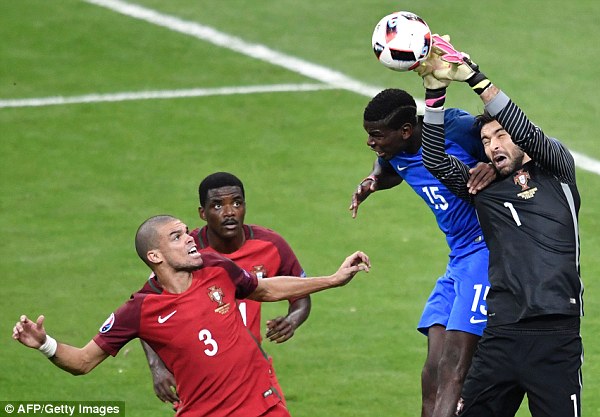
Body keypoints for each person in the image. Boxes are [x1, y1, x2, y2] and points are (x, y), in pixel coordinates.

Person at [13, 214, 370, 417]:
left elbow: (266, 289)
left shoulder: (216, 267)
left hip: (264, 407)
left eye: (187, 232)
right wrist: (45, 343)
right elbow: (83, 361)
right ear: (155, 256)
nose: (190, 239)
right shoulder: (138, 309)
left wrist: (333, 279)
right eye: (177, 236)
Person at [418, 41, 584, 417]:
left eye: (501, 136)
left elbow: (527, 132)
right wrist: (434, 92)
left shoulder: (558, 170)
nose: (494, 146)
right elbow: (433, 158)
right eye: (486, 140)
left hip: (555, 336)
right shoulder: (483, 188)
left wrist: (476, 79)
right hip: (501, 334)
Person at [350, 88, 496, 417]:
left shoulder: (454, 129)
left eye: (376, 135)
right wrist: (372, 181)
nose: (371, 142)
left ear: (405, 131)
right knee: (432, 370)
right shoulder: (395, 152)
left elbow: (509, 149)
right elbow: (388, 167)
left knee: (454, 368)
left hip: (486, 251)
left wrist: (494, 168)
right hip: (458, 259)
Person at [141, 172, 311, 406]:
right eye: (218, 205)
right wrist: (156, 366)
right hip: (200, 380)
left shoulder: (271, 245)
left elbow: (301, 294)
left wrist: (292, 320)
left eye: (237, 203)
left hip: (253, 369)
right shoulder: (184, 252)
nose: (229, 212)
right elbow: (145, 310)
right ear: (203, 213)